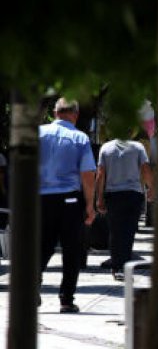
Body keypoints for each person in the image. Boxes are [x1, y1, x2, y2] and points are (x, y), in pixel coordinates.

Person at [39, 98, 97, 313]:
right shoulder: (79, 137)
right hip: (69, 200)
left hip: (40, 199)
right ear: (76, 114)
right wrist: (90, 205)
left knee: (41, 247)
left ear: (55, 113)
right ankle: (66, 299)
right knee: (71, 250)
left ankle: (31, 290)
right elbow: (87, 174)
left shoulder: (37, 134)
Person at [95, 135, 154, 281]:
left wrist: (99, 198)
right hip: (133, 194)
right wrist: (152, 188)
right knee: (129, 230)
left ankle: (117, 267)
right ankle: (125, 265)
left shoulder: (106, 147)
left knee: (115, 231)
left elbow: (101, 174)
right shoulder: (138, 147)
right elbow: (145, 169)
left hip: (113, 195)